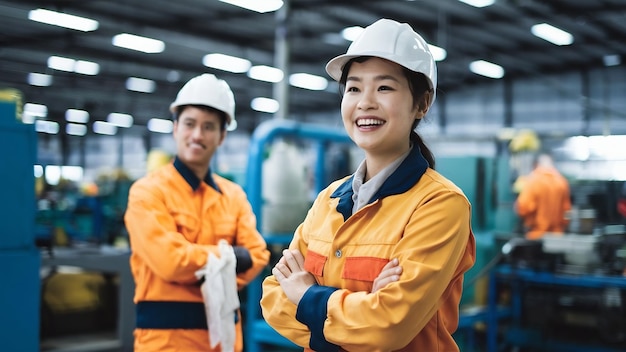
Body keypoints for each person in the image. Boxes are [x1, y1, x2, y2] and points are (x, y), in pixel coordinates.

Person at [260, 18, 476, 352]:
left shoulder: (440, 205)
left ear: (423, 102)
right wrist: (364, 309)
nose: (365, 102)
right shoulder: (328, 200)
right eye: (354, 88)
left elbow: (390, 326)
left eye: (384, 87)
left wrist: (305, 294)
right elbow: (273, 300)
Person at [124, 73, 270, 352]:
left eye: (208, 127)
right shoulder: (147, 192)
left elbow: (258, 254)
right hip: (167, 342)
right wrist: (229, 259)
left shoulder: (233, 195)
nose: (197, 135)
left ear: (222, 136)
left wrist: (199, 267)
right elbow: (170, 261)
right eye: (190, 124)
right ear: (175, 128)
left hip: (225, 341)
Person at [515, 152, 571, 239]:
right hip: (557, 236)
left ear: (536, 164)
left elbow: (523, 208)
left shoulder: (532, 181)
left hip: (536, 236)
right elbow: (566, 211)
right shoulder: (562, 182)